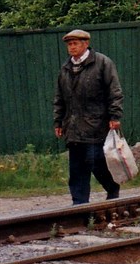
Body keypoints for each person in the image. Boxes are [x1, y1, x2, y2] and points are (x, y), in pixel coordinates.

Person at [53, 29, 124, 205]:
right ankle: (79, 203)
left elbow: (114, 91)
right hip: (73, 126)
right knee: (77, 168)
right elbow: (59, 98)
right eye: (69, 44)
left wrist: (115, 116)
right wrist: (58, 121)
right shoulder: (66, 68)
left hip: (97, 124)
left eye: (75, 43)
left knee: (96, 162)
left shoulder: (102, 63)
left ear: (85, 44)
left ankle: (112, 188)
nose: (72, 47)